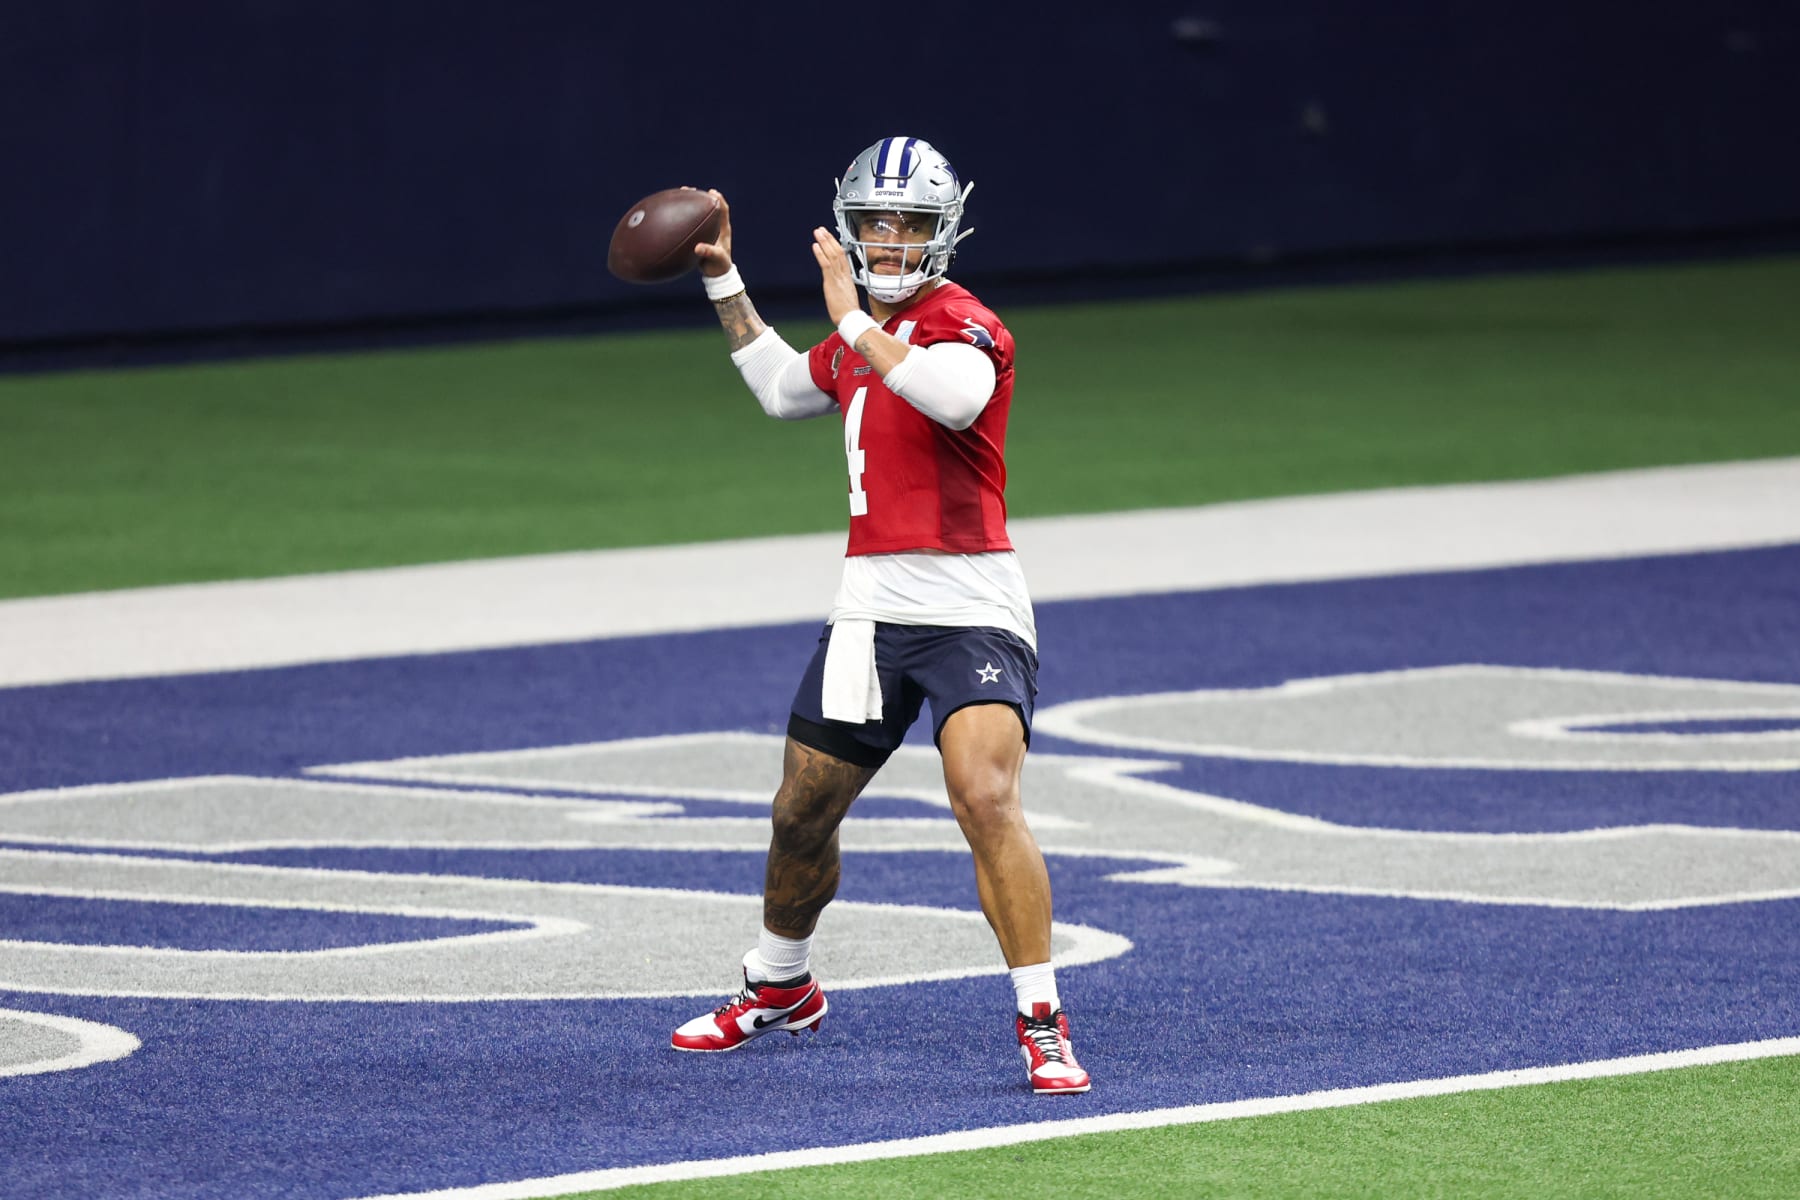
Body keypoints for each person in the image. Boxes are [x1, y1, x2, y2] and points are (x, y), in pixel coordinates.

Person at [668, 136, 1089, 1095]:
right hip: (869, 608)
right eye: (873, 224)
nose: (889, 241)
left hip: (972, 603)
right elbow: (782, 391)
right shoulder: (862, 334)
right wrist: (725, 278)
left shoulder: (963, 323)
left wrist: (855, 322)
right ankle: (780, 985)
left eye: (908, 225)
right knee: (800, 812)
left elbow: (950, 396)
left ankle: (1042, 1019)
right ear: (852, 228)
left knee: (985, 796)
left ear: (943, 234)